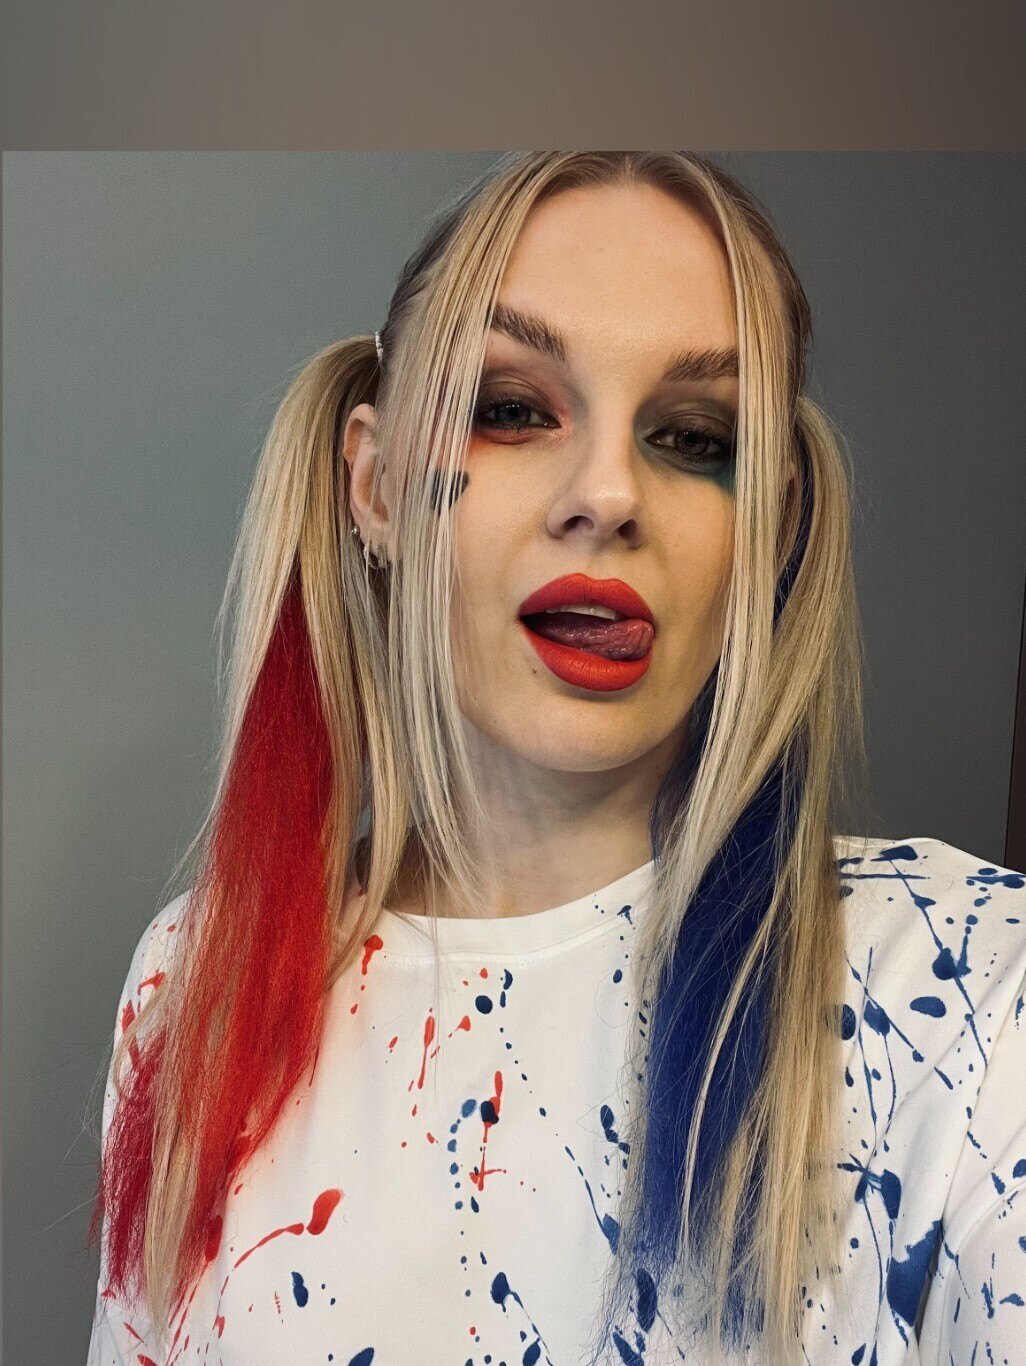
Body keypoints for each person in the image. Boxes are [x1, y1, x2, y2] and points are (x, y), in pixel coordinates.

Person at [85, 152, 1026, 1366]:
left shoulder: (962, 988)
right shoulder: (193, 982)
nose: (609, 493)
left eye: (694, 434)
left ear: (776, 526)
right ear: (375, 485)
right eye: (514, 409)